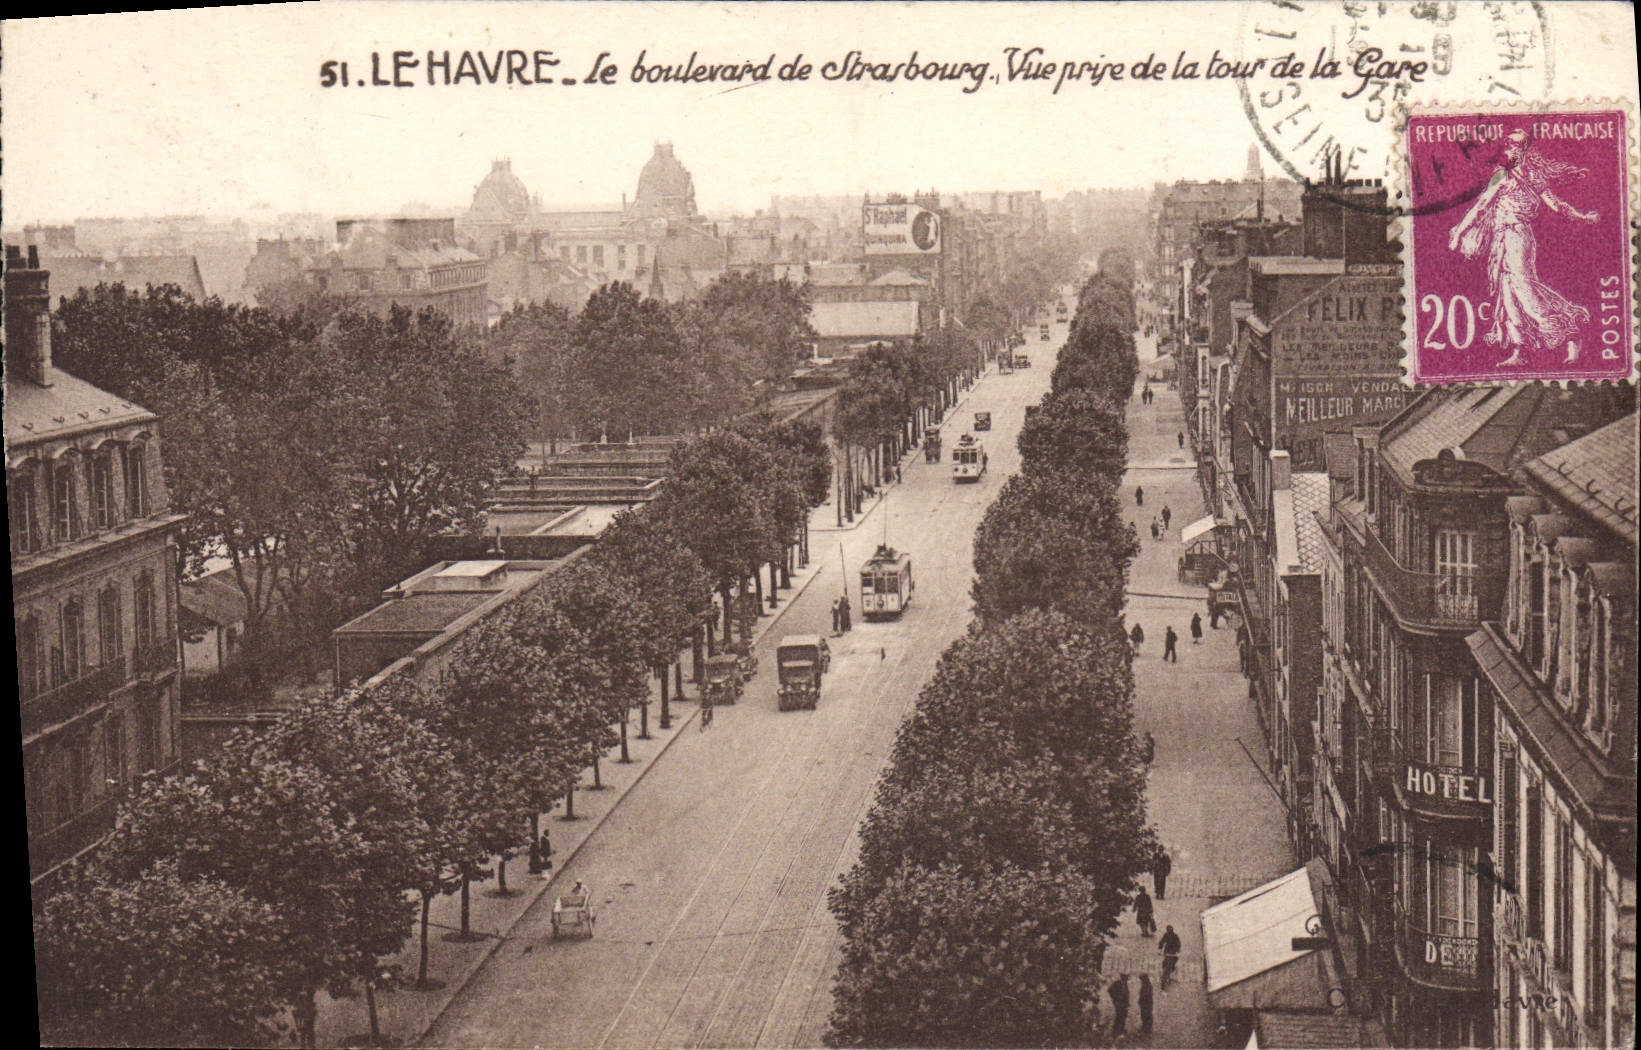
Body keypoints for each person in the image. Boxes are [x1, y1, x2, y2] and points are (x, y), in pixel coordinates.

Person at [1447, 128, 1599, 366]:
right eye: (1509, 144)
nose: (1510, 148)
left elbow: (1556, 204)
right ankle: (1520, 350)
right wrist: (1459, 231)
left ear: (1524, 149)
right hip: (1502, 239)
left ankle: (1570, 334)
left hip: (1518, 235)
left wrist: (1582, 217)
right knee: (1507, 292)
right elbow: (1480, 207)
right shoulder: (1501, 177)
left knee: (1524, 289)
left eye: (1516, 145)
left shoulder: (1533, 177)